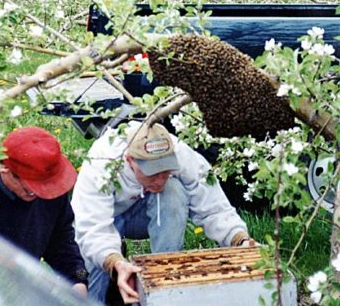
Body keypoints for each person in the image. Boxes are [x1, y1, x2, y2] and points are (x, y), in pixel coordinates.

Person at [71, 121, 255, 304]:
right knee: (94, 276)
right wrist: (114, 261)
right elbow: (91, 227)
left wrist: (240, 239)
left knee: (173, 190)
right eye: (152, 173)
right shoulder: (101, 162)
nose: (160, 180)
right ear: (130, 160)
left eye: (165, 171)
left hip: (149, 213)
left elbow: (213, 206)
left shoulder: (181, 153)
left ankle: (165, 286)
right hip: (108, 221)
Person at [0, 126, 88, 296]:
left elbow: (62, 240)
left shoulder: (50, 187)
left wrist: (78, 280)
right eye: (32, 189)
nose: (42, 194)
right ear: (5, 169)